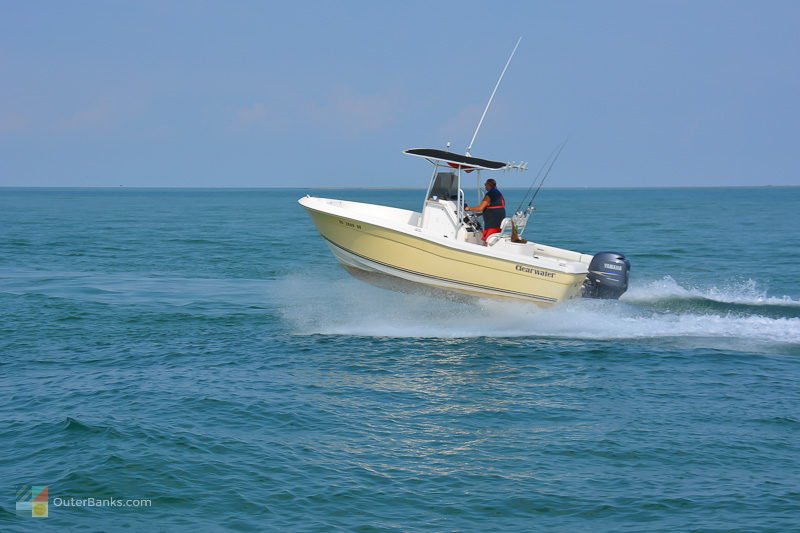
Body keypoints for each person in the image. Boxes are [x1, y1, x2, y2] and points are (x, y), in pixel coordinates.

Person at [465, 178, 505, 243]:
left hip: (492, 224)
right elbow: (496, 208)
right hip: (499, 222)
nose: (485, 186)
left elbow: (480, 208)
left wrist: (469, 208)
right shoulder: (499, 194)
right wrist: (481, 214)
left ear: (489, 184)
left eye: (485, 184)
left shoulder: (489, 194)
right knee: (494, 240)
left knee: (487, 241)